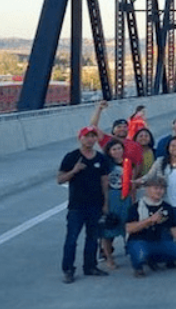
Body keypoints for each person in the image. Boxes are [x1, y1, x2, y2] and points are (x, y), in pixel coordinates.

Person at [57, 126, 111, 283]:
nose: (90, 139)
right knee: (72, 239)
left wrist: (105, 203)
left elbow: (104, 181)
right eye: (87, 136)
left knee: (93, 238)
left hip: (95, 205)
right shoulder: (72, 157)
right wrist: (74, 171)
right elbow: (60, 179)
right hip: (77, 206)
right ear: (80, 138)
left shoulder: (100, 158)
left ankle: (90, 266)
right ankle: (68, 269)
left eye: (93, 136)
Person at [125, 176, 176, 278]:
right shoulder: (136, 207)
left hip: (157, 242)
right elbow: (129, 228)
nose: (159, 191)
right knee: (140, 253)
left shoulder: (166, 207)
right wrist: (149, 220)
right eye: (156, 188)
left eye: (162, 188)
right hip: (138, 240)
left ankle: (153, 260)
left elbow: (174, 229)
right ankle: (138, 267)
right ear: (147, 189)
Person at [139, 136, 176, 237]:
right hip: (165, 201)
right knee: (166, 228)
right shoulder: (160, 161)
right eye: (172, 145)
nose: (175, 148)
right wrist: (137, 181)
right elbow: (150, 176)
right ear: (168, 147)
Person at [100, 139, 133, 270]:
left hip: (125, 198)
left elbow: (132, 183)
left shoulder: (128, 163)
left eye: (119, 148)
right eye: (114, 149)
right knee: (109, 229)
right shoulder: (106, 165)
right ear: (109, 151)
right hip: (112, 196)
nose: (117, 152)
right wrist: (105, 203)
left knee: (127, 227)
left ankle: (131, 252)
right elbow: (103, 185)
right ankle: (109, 257)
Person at [88, 101, 144, 169]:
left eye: (125, 127)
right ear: (113, 130)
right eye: (119, 127)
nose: (122, 129)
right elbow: (93, 127)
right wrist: (99, 109)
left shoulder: (135, 145)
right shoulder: (106, 139)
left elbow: (138, 165)